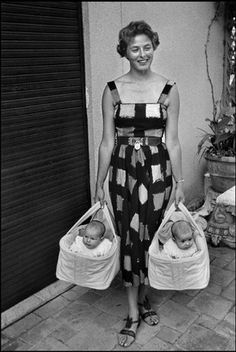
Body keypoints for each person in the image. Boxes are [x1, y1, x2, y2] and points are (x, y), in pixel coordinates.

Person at [94, 20, 185, 347]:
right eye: (135, 48)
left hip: (158, 174)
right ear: (125, 52)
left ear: (153, 48)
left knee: (150, 239)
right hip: (122, 174)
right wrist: (99, 183)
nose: (142, 53)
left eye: (147, 47)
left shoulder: (169, 90)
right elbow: (106, 142)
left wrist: (179, 181)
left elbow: (172, 141)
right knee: (131, 241)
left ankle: (144, 298)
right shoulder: (112, 90)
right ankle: (132, 312)